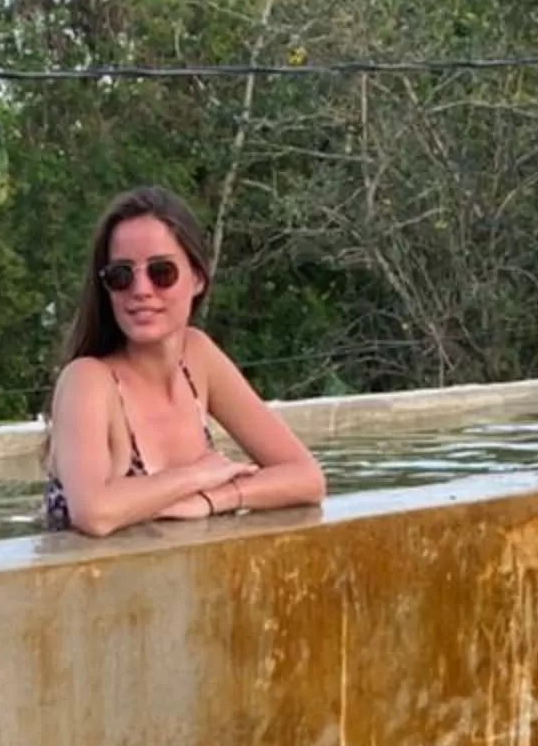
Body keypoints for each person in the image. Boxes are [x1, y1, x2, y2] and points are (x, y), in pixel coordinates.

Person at [42, 186, 326, 536]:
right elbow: (95, 512)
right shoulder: (88, 381)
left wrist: (215, 499)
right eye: (121, 275)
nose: (141, 289)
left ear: (197, 278)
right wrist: (197, 474)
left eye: (161, 272)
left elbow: (307, 477)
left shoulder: (198, 357)